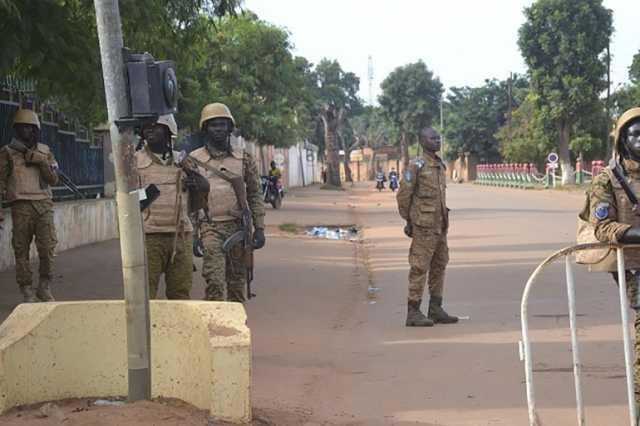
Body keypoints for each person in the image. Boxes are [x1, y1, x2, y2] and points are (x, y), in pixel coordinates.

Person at [583, 107, 640, 402]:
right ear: (622, 140)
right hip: (632, 265)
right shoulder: (608, 180)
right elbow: (603, 227)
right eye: (635, 133)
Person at [189, 103, 266, 302]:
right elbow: (189, 200)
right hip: (209, 227)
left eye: (223, 124)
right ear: (205, 128)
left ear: (230, 128)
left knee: (237, 283)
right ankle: (215, 327)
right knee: (214, 281)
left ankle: (235, 329)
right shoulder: (193, 160)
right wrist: (192, 234)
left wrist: (259, 228)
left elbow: (255, 194)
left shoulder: (244, 158)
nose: (219, 129)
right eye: (214, 125)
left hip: (238, 229)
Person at [135, 114, 209, 299]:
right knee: (144, 294)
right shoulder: (134, 161)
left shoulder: (183, 161)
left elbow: (202, 194)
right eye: (146, 127)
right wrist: (153, 191)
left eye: (156, 126)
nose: (150, 130)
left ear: (168, 130)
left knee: (180, 293)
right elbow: (125, 201)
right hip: (148, 236)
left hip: (181, 236)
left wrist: (192, 177)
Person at [397, 127, 458, 327]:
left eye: (439, 138)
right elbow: (404, 195)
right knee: (419, 267)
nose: (437, 141)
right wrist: (408, 220)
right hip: (423, 227)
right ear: (423, 141)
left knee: (440, 265)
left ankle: (436, 308)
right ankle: (413, 312)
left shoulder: (439, 165)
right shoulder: (416, 166)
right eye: (433, 138)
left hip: (440, 226)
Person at [0, 109, 59, 302]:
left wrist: (41, 162)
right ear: (16, 130)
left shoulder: (45, 151)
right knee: (21, 249)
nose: (26, 131)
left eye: (30, 127)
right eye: (22, 127)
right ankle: (26, 288)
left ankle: (44, 285)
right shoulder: (7, 152)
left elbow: (53, 180)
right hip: (21, 206)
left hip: (43, 205)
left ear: (36, 130)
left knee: (47, 247)